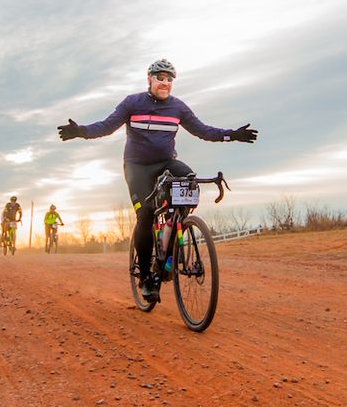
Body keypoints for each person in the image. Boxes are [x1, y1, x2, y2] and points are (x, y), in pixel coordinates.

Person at [57, 59, 257, 303]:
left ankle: (171, 245)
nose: (165, 83)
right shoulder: (132, 103)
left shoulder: (178, 108)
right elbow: (107, 126)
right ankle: (146, 278)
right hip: (137, 167)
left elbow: (203, 131)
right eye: (160, 78)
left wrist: (232, 135)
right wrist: (80, 131)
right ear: (149, 79)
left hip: (165, 163)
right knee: (146, 214)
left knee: (189, 180)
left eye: (169, 79)